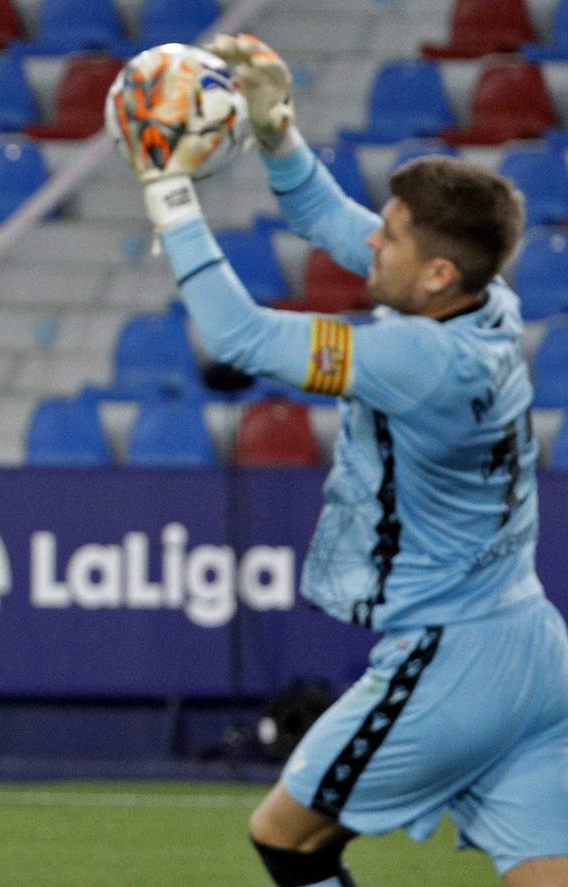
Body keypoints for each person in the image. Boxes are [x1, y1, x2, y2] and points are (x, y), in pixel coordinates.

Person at [112, 34, 568, 887]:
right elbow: (328, 221)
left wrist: (168, 190)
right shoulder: (485, 301)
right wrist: (278, 130)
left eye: (389, 236)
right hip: (536, 651)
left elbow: (241, 334)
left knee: (287, 836)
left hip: (452, 654)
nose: (371, 246)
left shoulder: (419, 360)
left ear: (435, 272)